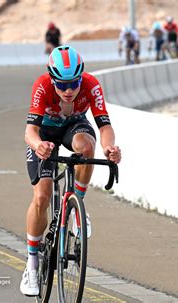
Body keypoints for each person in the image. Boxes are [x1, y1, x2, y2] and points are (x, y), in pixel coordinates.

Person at [20, 45, 122, 296]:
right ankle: (32, 264)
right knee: (41, 197)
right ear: (52, 79)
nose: (69, 90)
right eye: (62, 85)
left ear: (81, 77)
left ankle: (77, 208)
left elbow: (104, 125)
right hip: (44, 134)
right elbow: (29, 132)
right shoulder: (42, 85)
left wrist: (110, 148)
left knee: (87, 147)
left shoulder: (91, 85)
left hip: (73, 127)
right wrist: (38, 146)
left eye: (74, 83)